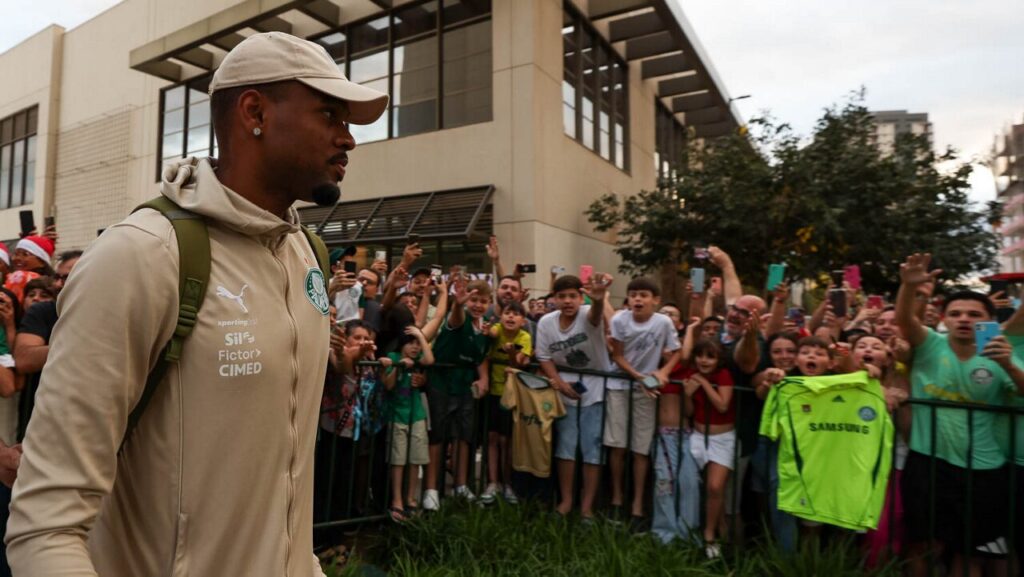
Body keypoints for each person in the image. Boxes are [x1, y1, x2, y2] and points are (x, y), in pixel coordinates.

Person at [5, 31, 388, 576]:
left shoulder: (309, 256)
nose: (347, 139)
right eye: (330, 114)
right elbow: (45, 525)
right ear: (253, 111)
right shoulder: (141, 256)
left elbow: (284, 497)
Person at [894, 254, 1023, 577]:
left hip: (983, 468)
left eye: (974, 314)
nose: (964, 319)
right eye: (955, 313)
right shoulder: (929, 344)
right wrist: (909, 288)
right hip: (927, 462)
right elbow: (905, 321)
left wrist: (1008, 364)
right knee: (921, 546)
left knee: (971, 553)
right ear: (943, 318)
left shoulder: (1000, 350)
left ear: (990, 320)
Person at [536, 273, 612, 520]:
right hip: (564, 389)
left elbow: (596, 316)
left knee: (592, 449)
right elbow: (544, 356)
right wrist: (558, 383)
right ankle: (567, 501)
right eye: (561, 296)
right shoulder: (546, 322)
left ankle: (587, 506)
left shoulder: (588, 312)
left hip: (596, 388)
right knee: (566, 447)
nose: (567, 301)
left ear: (581, 297)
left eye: (572, 296)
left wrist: (599, 300)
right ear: (554, 299)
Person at [607, 277, 681, 529]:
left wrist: (663, 372)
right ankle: (616, 500)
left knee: (640, 450)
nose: (638, 299)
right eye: (633, 294)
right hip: (620, 385)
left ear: (656, 300)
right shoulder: (619, 320)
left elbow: (676, 352)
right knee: (617, 446)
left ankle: (638, 506)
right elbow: (616, 355)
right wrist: (638, 376)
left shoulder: (664, 322)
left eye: (644, 295)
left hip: (646, 391)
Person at [421, 278, 491, 510]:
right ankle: (431, 489)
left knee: (464, 436)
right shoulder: (460, 317)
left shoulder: (484, 329)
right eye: (474, 299)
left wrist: (483, 377)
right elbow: (455, 320)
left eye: (483, 301)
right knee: (438, 437)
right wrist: (458, 305)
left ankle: (461, 485)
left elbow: (480, 358)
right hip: (441, 383)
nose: (478, 305)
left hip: (464, 386)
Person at [679, 338, 735, 558]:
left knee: (714, 487)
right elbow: (689, 412)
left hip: (723, 439)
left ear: (719, 359)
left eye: (710, 356)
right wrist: (687, 393)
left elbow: (722, 405)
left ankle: (709, 534)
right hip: (698, 436)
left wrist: (703, 382)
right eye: (700, 355)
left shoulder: (723, 376)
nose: (704, 360)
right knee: (708, 490)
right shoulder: (692, 377)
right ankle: (722, 531)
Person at [480, 301, 531, 505]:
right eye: (507, 313)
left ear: (523, 320)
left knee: (507, 441)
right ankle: (493, 483)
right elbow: (491, 334)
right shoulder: (497, 329)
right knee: (492, 438)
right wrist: (486, 331)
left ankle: (508, 483)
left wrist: (511, 352)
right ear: (501, 317)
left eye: (516, 315)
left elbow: (519, 362)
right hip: (493, 393)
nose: (511, 317)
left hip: (512, 396)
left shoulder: (525, 337)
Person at [382, 325, 434, 522]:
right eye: (411, 343)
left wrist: (421, 336)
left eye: (417, 344)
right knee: (398, 460)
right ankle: (397, 500)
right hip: (397, 416)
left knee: (415, 459)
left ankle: (411, 498)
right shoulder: (393, 358)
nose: (415, 348)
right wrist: (399, 367)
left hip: (417, 415)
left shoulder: (419, 361)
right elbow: (388, 385)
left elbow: (430, 359)